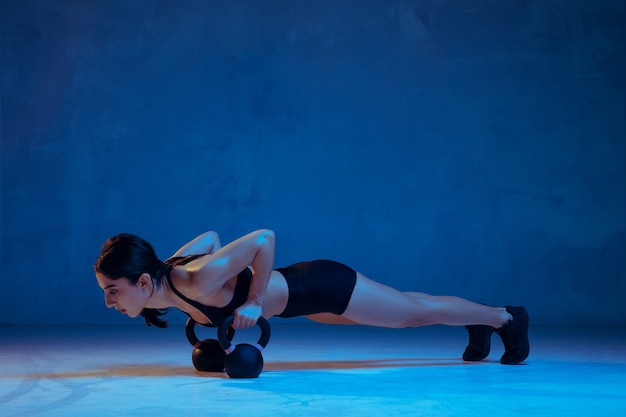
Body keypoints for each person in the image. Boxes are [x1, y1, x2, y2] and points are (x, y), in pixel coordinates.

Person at [94, 229, 530, 365]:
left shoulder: (193, 279)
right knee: (407, 304)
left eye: (114, 291)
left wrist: (252, 299)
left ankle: (504, 317)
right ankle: (477, 319)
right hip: (306, 304)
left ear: (143, 283)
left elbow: (264, 238)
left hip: (320, 285)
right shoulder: (171, 280)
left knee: (411, 314)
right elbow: (210, 236)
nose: (110, 301)